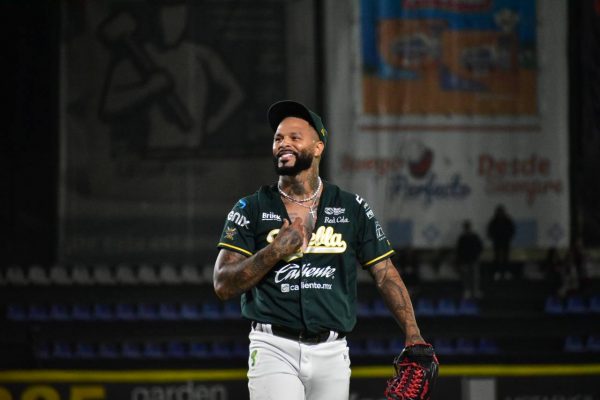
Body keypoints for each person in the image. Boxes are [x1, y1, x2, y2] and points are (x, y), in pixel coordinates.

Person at [213, 100, 430, 400]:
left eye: (294, 137)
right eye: (278, 138)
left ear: (318, 147)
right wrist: (274, 251)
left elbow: (384, 274)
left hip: (332, 352)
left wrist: (413, 333)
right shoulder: (250, 208)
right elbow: (223, 284)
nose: (283, 143)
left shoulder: (352, 208)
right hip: (274, 347)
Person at [455, 220, 484, 299]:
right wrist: (460, 260)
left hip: (474, 259)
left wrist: (477, 255)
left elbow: (480, 247)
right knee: (466, 277)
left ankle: (475, 291)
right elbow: (459, 250)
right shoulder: (462, 238)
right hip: (465, 260)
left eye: (468, 227)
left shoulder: (474, 237)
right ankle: (467, 290)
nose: (467, 229)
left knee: (475, 277)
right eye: (466, 227)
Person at [486, 204, 515, 280]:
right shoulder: (494, 221)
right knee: (496, 257)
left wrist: (508, 237)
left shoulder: (507, 221)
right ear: (497, 212)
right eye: (499, 212)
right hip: (497, 242)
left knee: (506, 257)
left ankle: (506, 272)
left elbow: (512, 230)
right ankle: (497, 272)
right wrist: (494, 237)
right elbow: (490, 231)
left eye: (501, 212)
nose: (500, 213)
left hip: (505, 241)